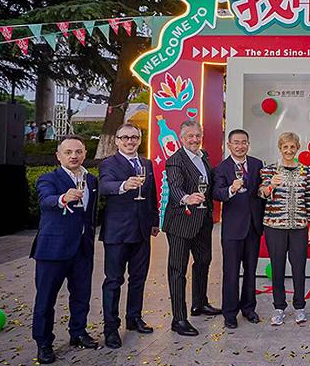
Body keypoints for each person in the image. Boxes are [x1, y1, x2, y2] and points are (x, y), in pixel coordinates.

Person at [31, 136, 99, 364]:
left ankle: (78, 332)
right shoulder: (48, 179)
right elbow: (45, 200)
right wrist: (62, 198)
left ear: (85, 154)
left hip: (82, 248)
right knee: (46, 298)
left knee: (81, 295)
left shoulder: (91, 180)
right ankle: (43, 343)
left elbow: (90, 214)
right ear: (58, 156)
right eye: (68, 152)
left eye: (78, 151)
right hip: (53, 249)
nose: (74, 156)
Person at [98, 123, 159, 349]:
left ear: (139, 140)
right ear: (117, 141)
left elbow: (152, 194)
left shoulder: (146, 163)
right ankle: (111, 328)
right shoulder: (108, 164)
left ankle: (134, 318)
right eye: (124, 137)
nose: (129, 141)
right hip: (118, 232)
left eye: (134, 137)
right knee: (114, 281)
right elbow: (105, 186)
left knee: (138, 278)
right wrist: (124, 185)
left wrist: (154, 221)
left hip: (142, 230)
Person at [163, 120, 221, 337]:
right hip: (181, 221)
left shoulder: (203, 156)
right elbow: (175, 187)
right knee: (178, 270)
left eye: (198, 135)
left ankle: (200, 303)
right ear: (182, 138)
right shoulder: (175, 160)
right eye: (190, 136)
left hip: (203, 220)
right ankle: (178, 319)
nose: (194, 139)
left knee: (204, 261)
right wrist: (186, 198)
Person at [259, 132, 310, 326]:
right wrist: (270, 187)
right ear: (280, 148)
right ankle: (279, 307)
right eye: (285, 147)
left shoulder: (306, 172)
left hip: (299, 226)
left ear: (297, 148)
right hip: (274, 226)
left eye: (292, 147)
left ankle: (300, 306)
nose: (289, 150)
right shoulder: (269, 170)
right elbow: (260, 194)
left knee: (299, 267)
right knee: (277, 267)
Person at [212, 129, 265, 329]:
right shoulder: (221, 168)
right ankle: (230, 313)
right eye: (236, 142)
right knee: (231, 272)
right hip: (233, 229)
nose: (240, 146)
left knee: (250, 271)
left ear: (248, 144)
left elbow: (261, 192)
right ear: (229, 145)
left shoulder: (257, 164)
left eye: (244, 142)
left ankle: (249, 308)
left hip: (253, 227)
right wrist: (231, 189)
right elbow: (217, 193)